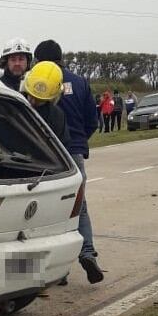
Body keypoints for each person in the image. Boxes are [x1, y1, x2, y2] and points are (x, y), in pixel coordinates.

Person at [34, 40, 104, 284]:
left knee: (46, 210)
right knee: (79, 207)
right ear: (61, 58)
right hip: (73, 153)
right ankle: (87, 253)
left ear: (37, 59)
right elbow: (93, 121)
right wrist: (78, 142)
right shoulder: (80, 81)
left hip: (45, 154)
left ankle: (58, 269)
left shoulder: (35, 81)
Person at [22, 61, 70, 148]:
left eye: (39, 100)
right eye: (31, 96)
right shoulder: (12, 104)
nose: (33, 102)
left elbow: (63, 148)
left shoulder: (57, 116)